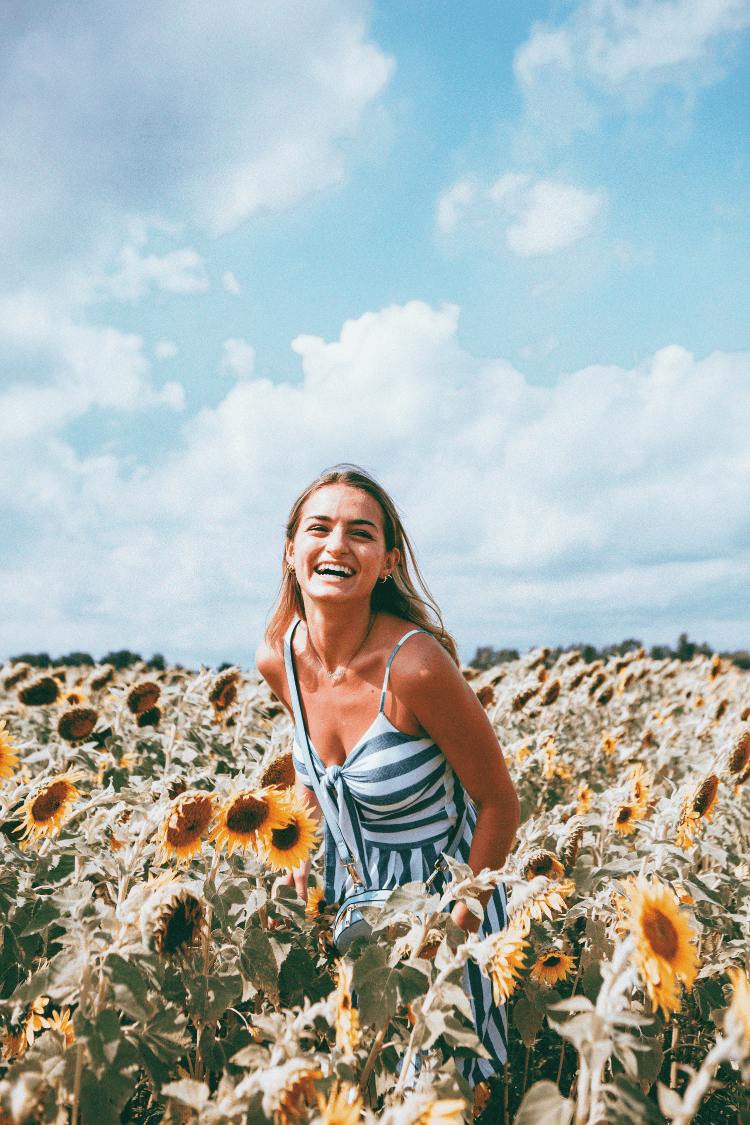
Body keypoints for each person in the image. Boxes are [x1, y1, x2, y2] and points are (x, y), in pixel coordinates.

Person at [256, 465, 520, 1085]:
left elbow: (500, 804)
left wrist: (455, 932)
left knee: (438, 1098)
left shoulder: (416, 667)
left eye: (361, 533)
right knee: (364, 1089)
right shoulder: (279, 658)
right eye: (318, 528)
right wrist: (302, 842)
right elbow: (313, 769)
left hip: (451, 908)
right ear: (291, 550)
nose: (337, 545)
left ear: (388, 562)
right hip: (357, 915)